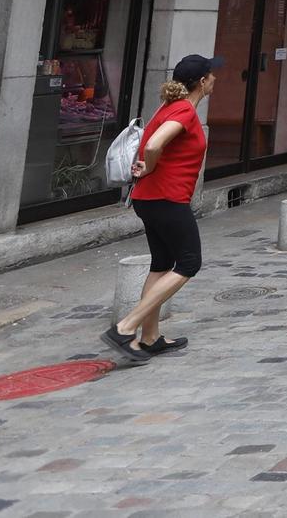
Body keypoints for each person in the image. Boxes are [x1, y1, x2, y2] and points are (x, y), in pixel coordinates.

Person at [104, 54, 220, 364]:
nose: (215, 79)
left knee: (161, 263)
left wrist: (148, 170)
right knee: (189, 262)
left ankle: (151, 337)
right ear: (202, 82)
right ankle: (126, 327)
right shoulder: (183, 111)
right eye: (211, 74)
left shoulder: (171, 107)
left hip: (151, 198)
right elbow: (154, 144)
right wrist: (149, 166)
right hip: (166, 198)